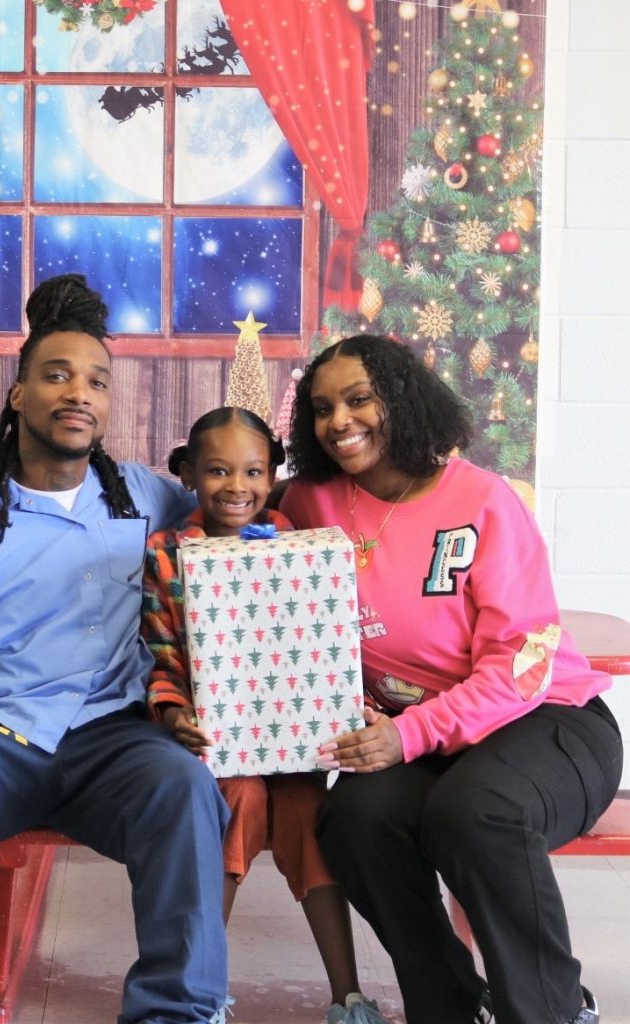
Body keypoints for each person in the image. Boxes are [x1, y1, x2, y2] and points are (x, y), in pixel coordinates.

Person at [0, 274, 231, 1024]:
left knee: (185, 787)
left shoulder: (146, 496)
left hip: (116, 740)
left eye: (96, 381)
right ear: (18, 394)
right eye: (56, 375)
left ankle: (177, 1012)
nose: (78, 394)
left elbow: (243, 516)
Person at [279, 334, 623, 1024]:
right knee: (352, 820)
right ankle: (447, 1006)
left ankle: (549, 1010)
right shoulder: (309, 503)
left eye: (357, 399)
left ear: (401, 400)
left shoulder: (483, 499)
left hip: (546, 720)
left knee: (475, 813)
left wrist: (407, 735)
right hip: (430, 740)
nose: (338, 421)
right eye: (321, 409)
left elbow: (521, 663)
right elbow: (224, 507)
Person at [140, 406, 389, 1024]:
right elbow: (163, 655)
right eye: (218, 471)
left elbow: (330, 640)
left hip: (295, 740)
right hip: (216, 743)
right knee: (238, 806)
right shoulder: (168, 552)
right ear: (189, 475)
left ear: (273, 473)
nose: (237, 486)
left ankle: (347, 996)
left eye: (253, 471)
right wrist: (174, 716)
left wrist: (343, 702)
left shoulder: (293, 538)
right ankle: (199, 994)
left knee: (308, 818)